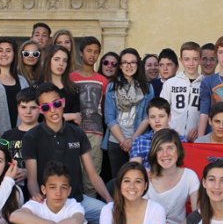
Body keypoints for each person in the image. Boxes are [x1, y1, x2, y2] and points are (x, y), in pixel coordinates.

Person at [22, 83, 111, 224]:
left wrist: (109, 201)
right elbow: (32, 179)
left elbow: (92, 174)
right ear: (41, 110)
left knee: (111, 217)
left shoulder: (77, 133)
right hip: (49, 203)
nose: (53, 110)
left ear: (62, 102)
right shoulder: (32, 136)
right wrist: (37, 197)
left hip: (77, 199)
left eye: (56, 104)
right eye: (46, 107)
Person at [144, 129, 199, 224]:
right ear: (154, 153)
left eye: (170, 148)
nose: (165, 154)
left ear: (178, 150)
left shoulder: (189, 176)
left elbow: (198, 214)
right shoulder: (144, 178)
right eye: (160, 149)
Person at [103, 48, 154, 178]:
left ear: (138, 65)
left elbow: (147, 117)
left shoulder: (147, 87)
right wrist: (123, 141)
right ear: (120, 65)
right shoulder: (112, 87)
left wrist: (132, 139)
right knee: (118, 179)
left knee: (138, 178)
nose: (128, 66)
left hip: (139, 141)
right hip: (116, 141)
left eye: (132, 62)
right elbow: (109, 117)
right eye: (125, 62)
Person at [70, 36, 109, 196]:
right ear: (81, 53)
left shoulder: (103, 80)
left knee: (92, 178)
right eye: (89, 51)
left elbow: (105, 107)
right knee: (73, 174)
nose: (92, 55)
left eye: (96, 52)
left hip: (96, 133)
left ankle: (90, 216)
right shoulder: (71, 78)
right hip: (74, 132)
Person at [0, 87, 40, 199]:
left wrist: (29, 173)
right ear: (17, 108)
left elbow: (53, 164)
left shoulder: (46, 134)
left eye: (33, 107)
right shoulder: (7, 136)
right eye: (23, 107)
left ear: (40, 109)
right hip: (11, 193)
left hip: (39, 194)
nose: (28, 112)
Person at [161, 41, 203, 142]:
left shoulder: (205, 84)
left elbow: (209, 112)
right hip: (173, 137)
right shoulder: (170, 84)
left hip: (196, 138)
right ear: (181, 60)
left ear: (200, 60)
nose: (191, 63)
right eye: (187, 59)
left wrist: (199, 128)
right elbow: (161, 111)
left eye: (195, 59)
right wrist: (167, 131)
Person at [129, 97, 176, 167]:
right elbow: (134, 168)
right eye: (152, 117)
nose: (157, 120)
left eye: (161, 116)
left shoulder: (180, 140)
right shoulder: (140, 141)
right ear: (148, 119)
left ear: (169, 117)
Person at [42, 44, 81, 124]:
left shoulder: (73, 89)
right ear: (48, 61)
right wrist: (72, 116)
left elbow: (78, 118)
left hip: (69, 134)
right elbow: (40, 117)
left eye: (65, 60)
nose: (61, 64)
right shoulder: (38, 87)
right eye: (56, 59)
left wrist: (74, 116)